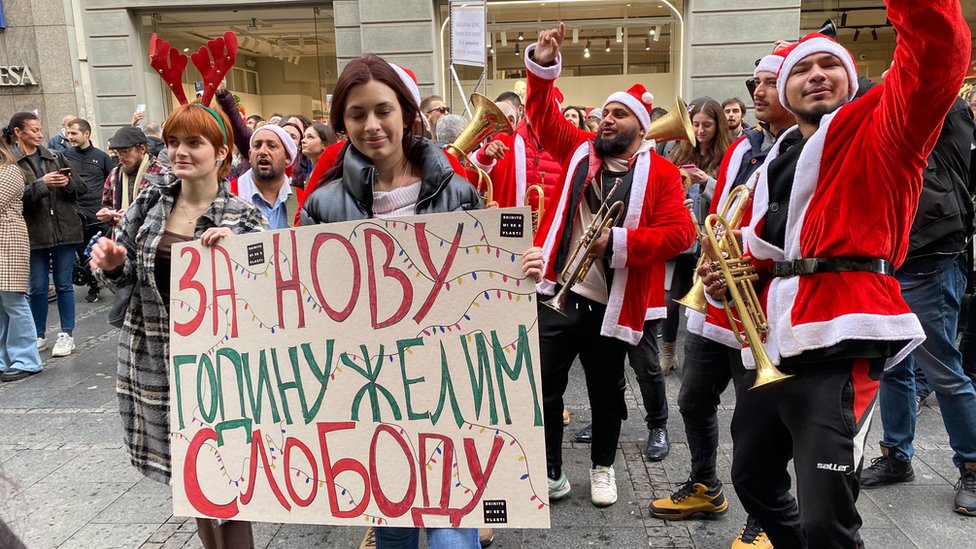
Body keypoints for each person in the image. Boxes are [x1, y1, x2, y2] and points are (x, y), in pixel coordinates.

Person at [696, 2, 970, 545]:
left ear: (851, 79)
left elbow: (939, 56)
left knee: (827, 515)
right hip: (774, 339)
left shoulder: (885, 129)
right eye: (800, 68)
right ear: (782, 89)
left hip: (842, 337)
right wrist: (732, 277)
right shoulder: (775, 158)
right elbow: (769, 251)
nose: (815, 74)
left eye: (829, 65)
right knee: (751, 479)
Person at [301, 53, 482, 549]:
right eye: (356, 115)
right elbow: (297, 300)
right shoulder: (322, 204)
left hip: (447, 387)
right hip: (368, 388)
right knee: (394, 533)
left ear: (407, 113)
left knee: (452, 539)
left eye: (383, 110)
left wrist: (517, 271)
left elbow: (484, 291)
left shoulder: (459, 193)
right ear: (342, 123)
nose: (371, 125)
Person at [519, 22, 695, 508]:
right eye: (604, 113)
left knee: (606, 394)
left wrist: (616, 242)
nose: (606, 120)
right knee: (546, 390)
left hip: (613, 303)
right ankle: (551, 469)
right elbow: (540, 114)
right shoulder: (579, 149)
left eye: (618, 114)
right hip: (557, 295)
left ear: (642, 125)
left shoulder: (661, 172)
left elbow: (683, 235)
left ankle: (602, 468)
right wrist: (543, 65)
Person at [90, 103, 267, 549]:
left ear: (222, 152)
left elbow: (268, 289)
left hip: (221, 366)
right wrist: (113, 264)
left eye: (193, 142)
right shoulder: (150, 201)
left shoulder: (242, 215)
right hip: (155, 358)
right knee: (191, 483)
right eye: (172, 142)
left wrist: (237, 255)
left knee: (226, 481)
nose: (179, 152)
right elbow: (125, 275)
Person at [650, 52, 794, 549]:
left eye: (771, 83)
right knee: (692, 399)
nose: (758, 91)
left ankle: (764, 516)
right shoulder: (745, 149)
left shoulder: (807, 149)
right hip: (718, 300)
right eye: (756, 82)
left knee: (756, 421)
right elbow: (724, 213)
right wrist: (711, 259)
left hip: (763, 305)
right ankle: (706, 485)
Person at [859, 84, 976, 517]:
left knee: (943, 370)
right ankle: (896, 457)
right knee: (894, 367)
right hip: (893, 259)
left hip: (932, 259)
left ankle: (972, 465)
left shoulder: (944, 108)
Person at [3, 112, 84, 358]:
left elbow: (80, 189)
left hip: (65, 229)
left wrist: (66, 184)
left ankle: (66, 334)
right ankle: (38, 334)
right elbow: (12, 197)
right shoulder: (9, 163)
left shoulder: (56, 156)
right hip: (34, 232)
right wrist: (41, 184)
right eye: (33, 130)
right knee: (37, 287)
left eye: (40, 130)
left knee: (64, 285)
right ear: (18, 132)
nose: (39, 134)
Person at [661, 100, 732, 373]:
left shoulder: (728, 154)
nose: (700, 130)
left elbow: (733, 197)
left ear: (718, 126)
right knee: (670, 300)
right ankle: (668, 353)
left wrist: (706, 184)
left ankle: (702, 358)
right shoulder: (676, 151)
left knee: (706, 299)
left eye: (707, 125)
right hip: (681, 237)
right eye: (696, 124)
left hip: (711, 239)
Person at [0, 139, 43, 382]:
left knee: (13, 301)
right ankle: (4, 359)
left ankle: (27, 359)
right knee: (1, 305)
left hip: (8, 243)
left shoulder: (9, 171)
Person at [63, 118, 115, 303]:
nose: (70, 137)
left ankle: (108, 280)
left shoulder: (102, 157)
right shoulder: (64, 155)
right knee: (83, 253)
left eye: (74, 133)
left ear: (86, 134)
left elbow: (112, 182)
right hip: (76, 214)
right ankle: (93, 285)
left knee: (99, 251)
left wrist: (110, 209)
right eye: (68, 133)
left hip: (99, 214)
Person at [98, 127, 167, 230]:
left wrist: (132, 216)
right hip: (120, 236)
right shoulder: (115, 173)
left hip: (146, 238)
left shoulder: (160, 173)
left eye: (125, 152)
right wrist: (106, 213)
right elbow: (107, 204)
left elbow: (166, 212)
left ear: (142, 149)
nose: (121, 157)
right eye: (118, 153)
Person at [232, 125, 298, 230]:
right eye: (257, 146)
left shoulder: (301, 200)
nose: (262, 152)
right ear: (249, 155)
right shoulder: (230, 194)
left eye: (271, 146)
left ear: (287, 157)